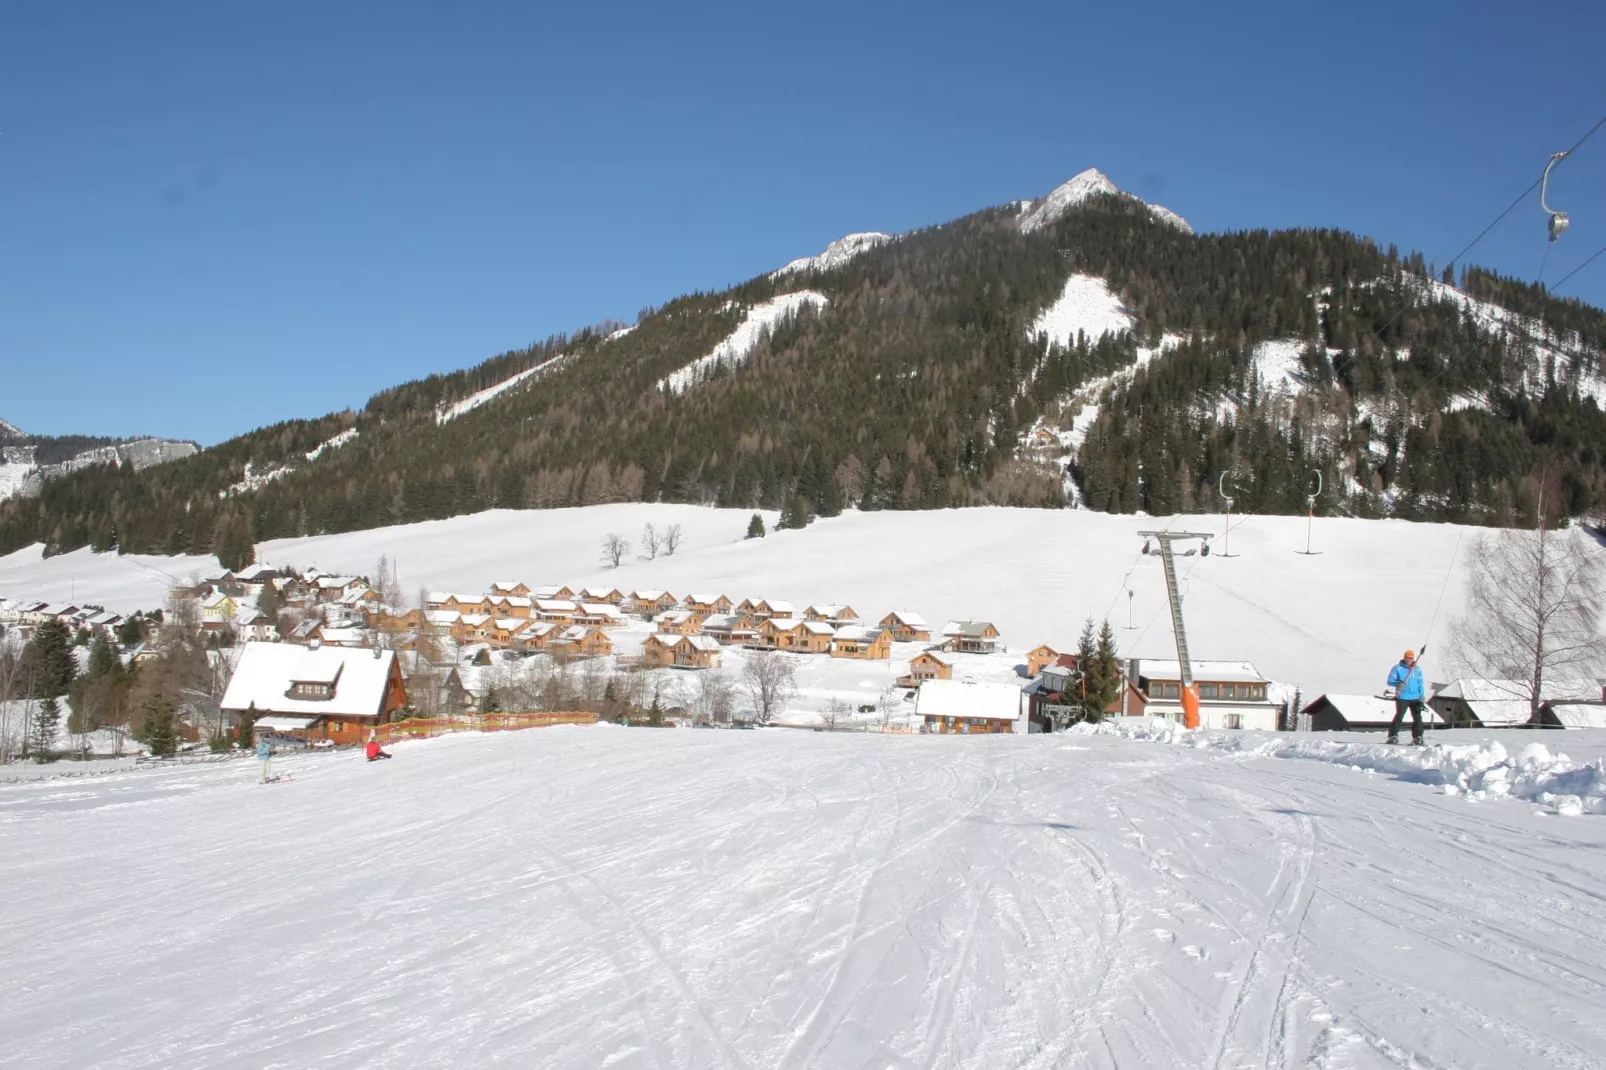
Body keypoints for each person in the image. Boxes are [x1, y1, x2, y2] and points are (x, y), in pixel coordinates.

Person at [1385, 649, 1426, 745]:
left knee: (1418, 718)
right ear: (1404, 658)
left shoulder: (1417, 669)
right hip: (1402, 696)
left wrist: (1421, 695)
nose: (1409, 660)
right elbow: (1390, 681)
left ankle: (1418, 737)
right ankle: (1393, 736)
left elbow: (1420, 683)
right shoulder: (1397, 668)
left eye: (1411, 658)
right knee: (1399, 716)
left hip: (1415, 697)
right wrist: (1398, 684)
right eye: (1407, 658)